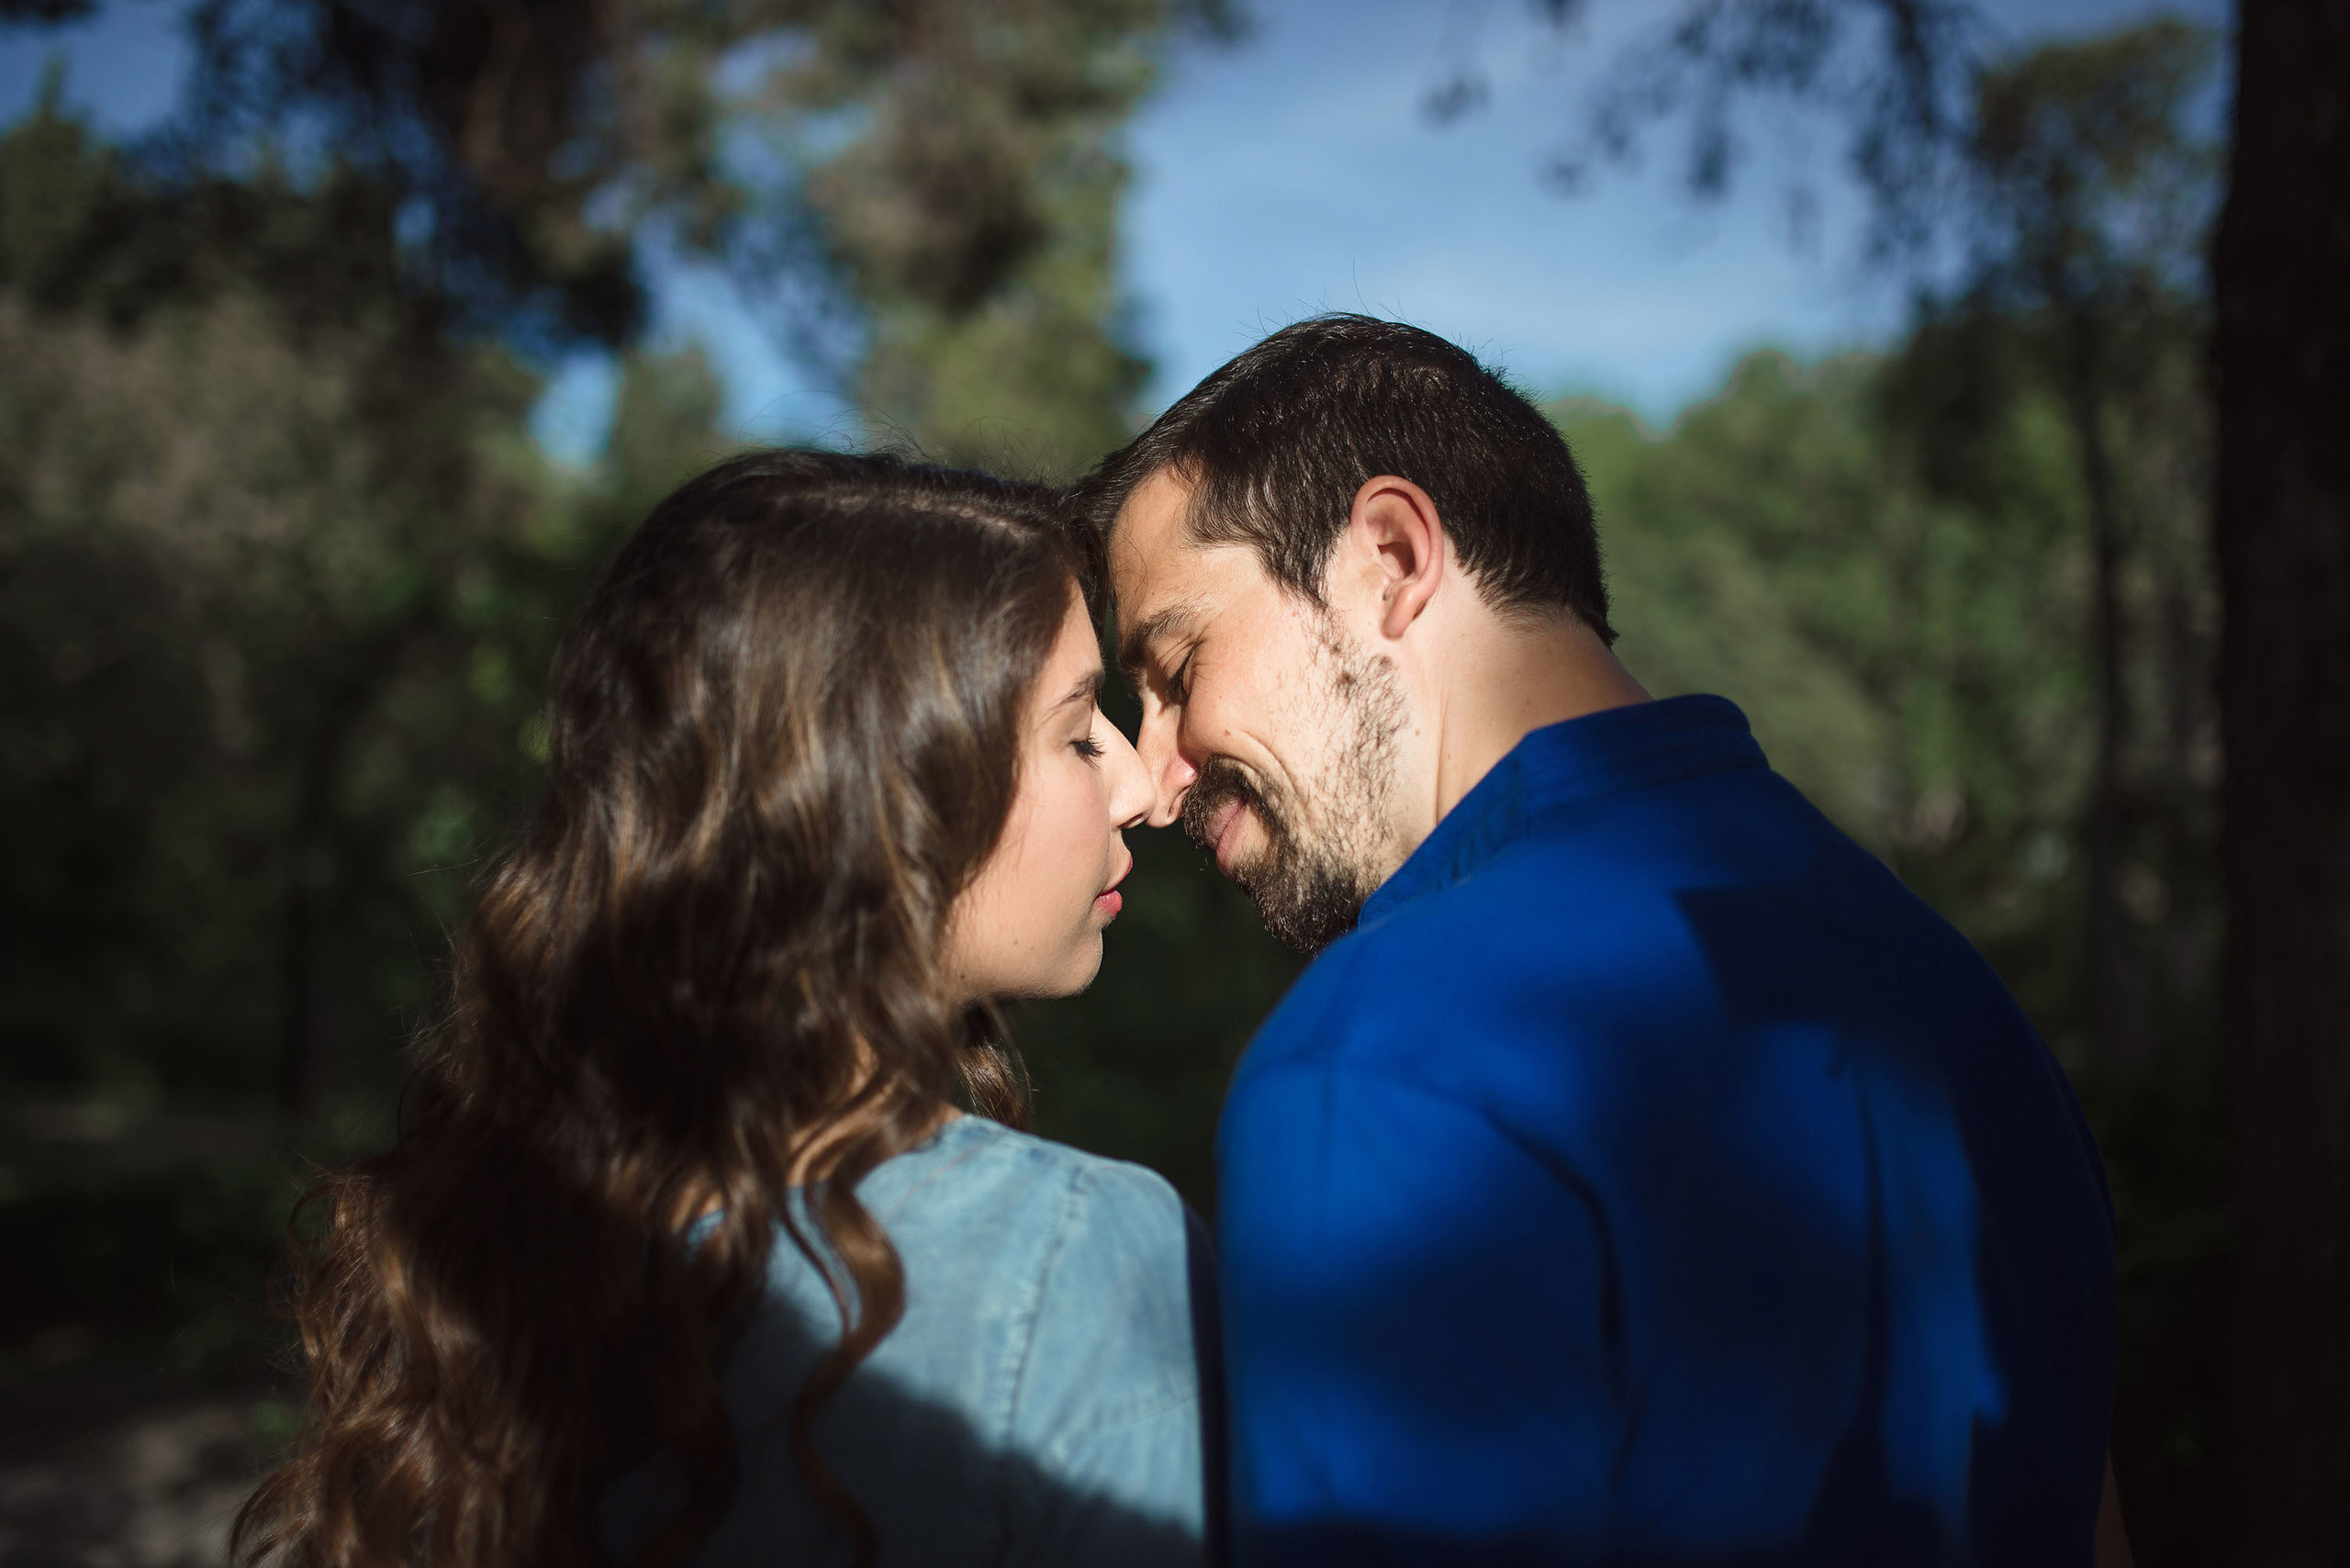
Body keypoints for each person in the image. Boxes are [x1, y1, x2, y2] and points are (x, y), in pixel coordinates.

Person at [1085, 315, 2131, 1566]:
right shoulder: (1954, 997)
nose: (1151, 778)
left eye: (1178, 663)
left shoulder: (1382, 1055)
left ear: (1388, 557)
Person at [234, 452, 1214, 1568]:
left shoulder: (498, 1235)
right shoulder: (1079, 1254)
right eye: (1079, 729)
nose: (1139, 783)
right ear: (880, 791)